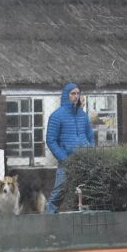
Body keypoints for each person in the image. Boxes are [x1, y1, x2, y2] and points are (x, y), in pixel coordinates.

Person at [45, 83, 94, 213]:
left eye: (78, 93)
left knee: (85, 193)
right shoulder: (56, 116)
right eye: (73, 93)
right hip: (67, 162)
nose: (76, 96)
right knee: (58, 194)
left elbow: (90, 135)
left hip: (85, 160)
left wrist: (90, 150)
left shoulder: (83, 115)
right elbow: (51, 140)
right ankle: (48, 223)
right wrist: (64, 158)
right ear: (66, 95)